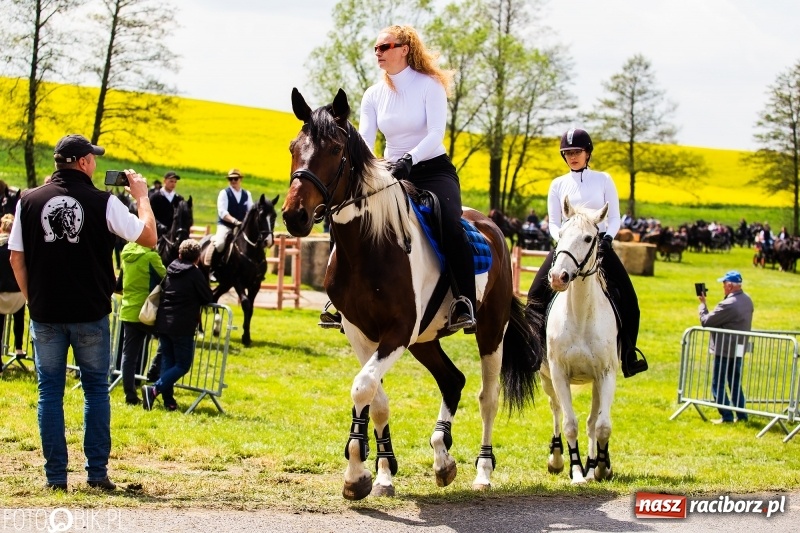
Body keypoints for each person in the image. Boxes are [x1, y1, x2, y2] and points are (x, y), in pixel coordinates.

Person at [8, 133, 157, 491]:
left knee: (49, 394)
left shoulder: (27, 200)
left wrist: (32, 300)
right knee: (95, 391)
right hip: (90, 312)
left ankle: (55, 477)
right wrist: (142, 197)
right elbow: (148, 237)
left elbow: (16, 257)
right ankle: (96, 473)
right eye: (92, 158)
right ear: (84, 162)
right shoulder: (103, 201)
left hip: (46, 313)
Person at [357, 24, 476, 332]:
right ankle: (341, 297)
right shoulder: (373, 95)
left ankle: (464, 300)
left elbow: (437, 133)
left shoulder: (429, 85)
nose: (378, 53)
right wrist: (366, 170)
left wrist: (410, 159)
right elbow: (365, 141)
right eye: (376, 49)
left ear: (404, 49)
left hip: (433, 169)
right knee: (353, 217)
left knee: (449, 222)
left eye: (385, 47)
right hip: (391, 171)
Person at [526, 128, 648, 377]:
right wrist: (562, 240)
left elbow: (613, 217)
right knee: (535, 295)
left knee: (630, 300)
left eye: (577, 152)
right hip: (567, 247)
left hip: (598, 246)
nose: (572, 156)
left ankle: (628, 355)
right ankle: (535, 353)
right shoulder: (558, 184)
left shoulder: (604, 180)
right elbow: (553, 222)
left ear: (588, 153)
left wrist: (608, 239)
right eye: (567, 153)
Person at [142, 239, 213, 411]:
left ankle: (169, 401)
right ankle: (154, 389)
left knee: (168, 361)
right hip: (182, 325)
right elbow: (207, 297)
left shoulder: (171, 268)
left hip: (164, 323)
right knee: (182, 364)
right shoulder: (195, 274)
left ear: (179, 254)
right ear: (197, 258)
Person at [698, 270, 754, 424]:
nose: (723, 286)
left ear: (729, 285)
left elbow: (706, 321)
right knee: (735, 383)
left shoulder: (728, 304)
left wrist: (702, 305)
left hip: (724, 349)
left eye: (724, 284)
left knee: (718, 384)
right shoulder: (748, 300)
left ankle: (727, 416)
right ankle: (742, 416)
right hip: (739, 349)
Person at [118, 240, 166, 405]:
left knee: (128, 356)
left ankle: (130, 395)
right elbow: (165, 278)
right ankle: (154, 375)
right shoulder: (151, 256)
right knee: (167, 344)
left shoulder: (126, 253)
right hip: (148, 312)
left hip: (128, 310)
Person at [207, 168, 253, 266]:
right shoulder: (224, 193)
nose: (233, 181)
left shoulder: (247, 194)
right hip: (226, 225)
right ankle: (214, 269)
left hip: (242, 227)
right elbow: (222, 212)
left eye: (235, 179)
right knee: (220, 244)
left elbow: (250, 211)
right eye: (230, 179)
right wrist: (235, 221)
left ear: (240, 179)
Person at [0, 214, 26, 360]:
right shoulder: (18, 249)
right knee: (19, 317)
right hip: (18, 294)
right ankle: (19, 348)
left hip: (1, 294)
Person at [149, 171, 183, 236]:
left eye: (175, 182)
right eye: (171, 181)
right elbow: (149, 214)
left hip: (174, 235)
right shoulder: (155, 197)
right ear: (164, 181)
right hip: (157, 233)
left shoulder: (179, 199)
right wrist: (158, 225)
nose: (173, 184)